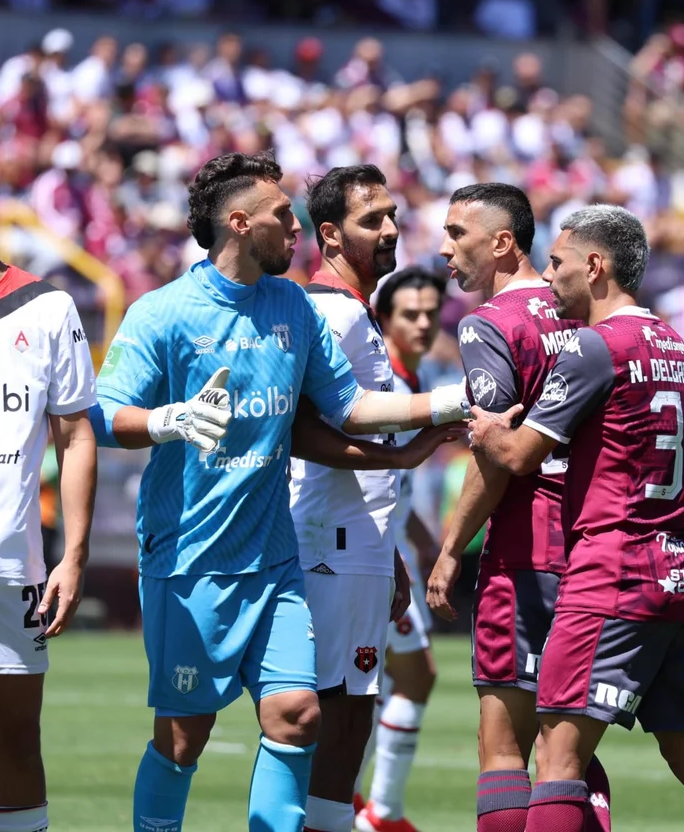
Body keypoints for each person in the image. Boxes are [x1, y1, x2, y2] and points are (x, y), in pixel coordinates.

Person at [88, 152, 468, 832]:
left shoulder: (291, 303)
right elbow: (99, 416)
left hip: (275, 561)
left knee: (299, 716)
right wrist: (168, 420)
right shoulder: (163, 313)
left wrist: (447, 402)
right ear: (238, 223)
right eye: (282, 215)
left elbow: (348, 407)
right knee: (182, 740)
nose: (297, 228)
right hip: (190, 560)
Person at [468, 205, 684, 832]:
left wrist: (487, 428)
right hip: (677, 569)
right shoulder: (674, 343)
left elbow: (519, 455)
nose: (546, 279)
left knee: (558, 756)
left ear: (594, 266)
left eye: (557, 263)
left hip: (611, 569)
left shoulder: (594, 346)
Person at [426, 183, 611, 832]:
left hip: (526, 553)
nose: (443, 249)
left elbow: (497, 453)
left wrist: (450, 550)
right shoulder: (593, 317)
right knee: (569, 751)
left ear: (503, 242)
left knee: (504, 746)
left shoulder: (489, 326)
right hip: (596, 551)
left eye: (456, 234)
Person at [289, 165, 467, 832]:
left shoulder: (351, 312)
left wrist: (388, 547)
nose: (391, 229)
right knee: (329, 715)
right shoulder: (333, 313)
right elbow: (303, 427)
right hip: (329, 544)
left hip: (354, 542)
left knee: (349, 710)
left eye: (392, 215)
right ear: (330, 234)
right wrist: (412, 442)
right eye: (374, 220)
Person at [0, 251, 98, 832]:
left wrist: (74, 555)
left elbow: (76, 433)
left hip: (13, 567)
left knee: (14, 739)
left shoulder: (48, 306)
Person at [354, 268, 446, 832]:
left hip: (386, 549)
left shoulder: (411, 378)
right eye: (410, 313)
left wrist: (425, 540)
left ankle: (357, 806)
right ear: (383, 318)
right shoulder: (387, 383)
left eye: (431, 313)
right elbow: (371, 478)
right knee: (411, 677)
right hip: (366, 553)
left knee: (381, 686)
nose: (423, 322)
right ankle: (376, 812)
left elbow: (398, 485)